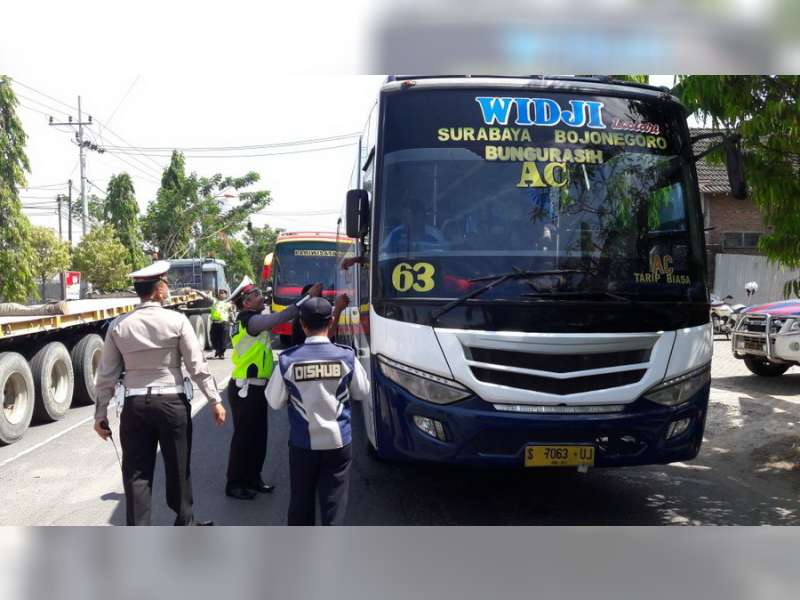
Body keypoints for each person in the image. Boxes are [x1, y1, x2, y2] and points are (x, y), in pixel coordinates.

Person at [93, 261, 226, 526]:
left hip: (135, 405)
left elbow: (106, 374)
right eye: (165, 283)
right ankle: (184, 524)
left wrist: (100, 414)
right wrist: (215, 399)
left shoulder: (119, 326)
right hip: (171, 403)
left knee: (136, 473)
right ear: (158, 291)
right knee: (178, 468)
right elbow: (196, 365)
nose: (167, 287)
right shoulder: (177, 321)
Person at [266, 297, 370, 525]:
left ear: (302, 325)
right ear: (331, 320)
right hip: (339, 443)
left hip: (303, 444)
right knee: (334, 504)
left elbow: (274, 402)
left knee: (301, 502)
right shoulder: (346, 356)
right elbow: (362, 392)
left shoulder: (288, 360)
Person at [224, 275, 322, 500]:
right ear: (246, 302)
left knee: (258, 437)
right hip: (245, 389)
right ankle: (235, 483)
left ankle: (253, 478)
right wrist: (309, 297)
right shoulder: (250, 320)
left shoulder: (253, 318)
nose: (261, 297)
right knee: (244, 438)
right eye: (255, 295)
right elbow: (283, 316)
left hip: (256, 388)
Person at [209, 288, 233, 359]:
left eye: (223, 293)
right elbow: (206, 297)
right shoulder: (214, 301)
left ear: (226, 295)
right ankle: (217, 350)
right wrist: (197, 292)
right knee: (214, 338)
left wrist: (232, 320)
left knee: (224, 339)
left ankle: (221, 353)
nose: (221, 294)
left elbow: (230, 313)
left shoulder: (228, 303)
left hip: (224, 323)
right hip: (215, 323)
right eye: (220, 293)